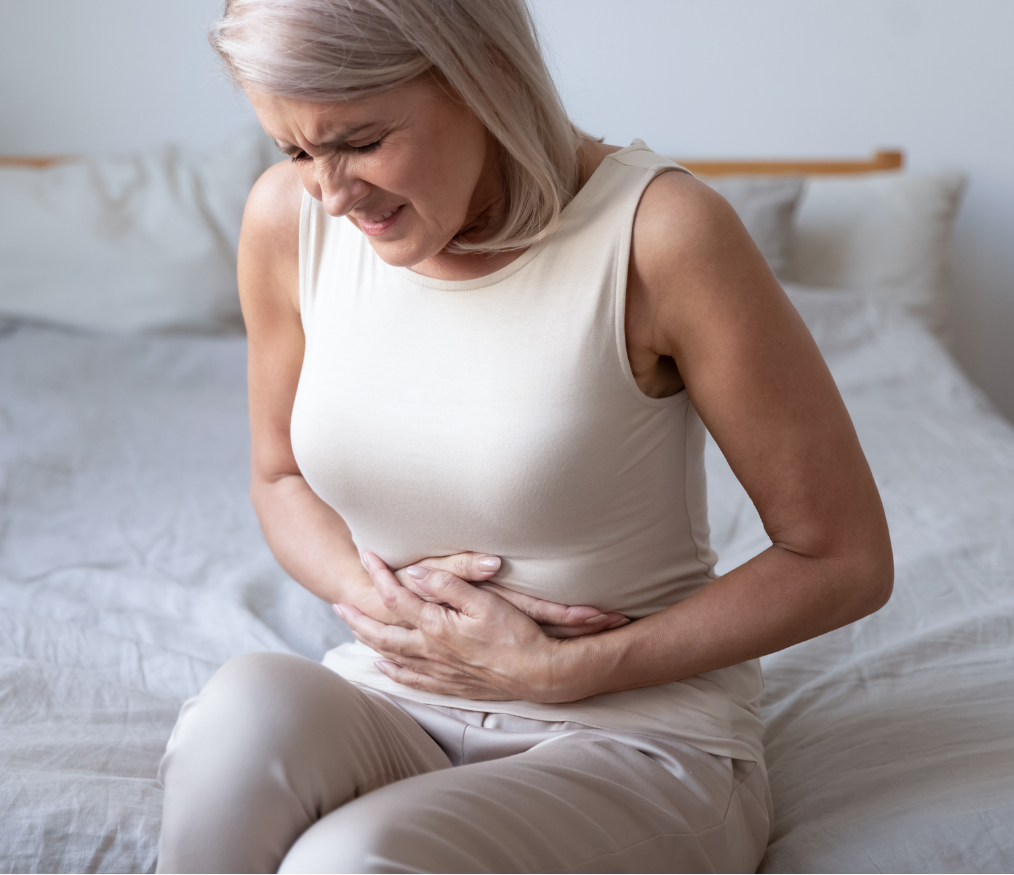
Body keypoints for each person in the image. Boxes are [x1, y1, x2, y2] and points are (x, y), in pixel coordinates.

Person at [156, 0, 894, 872]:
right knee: (237, 715)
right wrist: (393, 602)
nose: (331, 190)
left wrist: (566, 670)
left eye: (359, 141)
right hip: (400, 694)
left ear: (487, 79)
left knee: (347, 862)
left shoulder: (662, 234)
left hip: (637, 736)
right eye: (294, 149)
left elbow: (841, 557)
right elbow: (279, 479)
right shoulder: (289, 221)